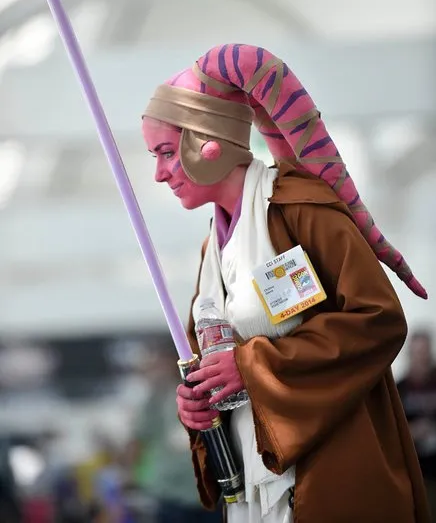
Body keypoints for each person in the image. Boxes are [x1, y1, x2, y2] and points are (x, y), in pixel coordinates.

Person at [141, 43, 430, 523]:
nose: (158, 174)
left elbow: (377, 320)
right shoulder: (211, 248)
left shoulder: (300, 208)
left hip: (330, 473)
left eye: (167, 152)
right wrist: (198, 402)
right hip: (255, 492)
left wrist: (251, 367)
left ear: (207, 142)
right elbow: (213, 356)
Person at [133, 339, 223, 523]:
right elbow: (139, 437)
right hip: (171, 496)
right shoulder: (158, 396)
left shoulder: (207, 387)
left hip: (212, 492)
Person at [398, 331, 436, 519]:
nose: (422, 358)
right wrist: (413, 432)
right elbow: (391, 433)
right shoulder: (400, 389)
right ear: (410, 354)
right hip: (413, 471)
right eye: (417, 353)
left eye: (425, 352)